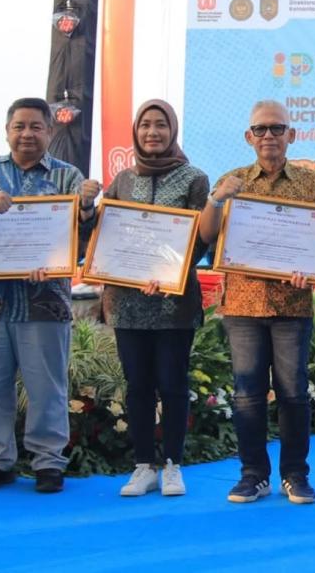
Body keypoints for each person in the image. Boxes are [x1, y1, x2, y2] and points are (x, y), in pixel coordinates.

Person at [0, 97, 100, 493]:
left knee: (47, 387)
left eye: (36, 126)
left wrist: (86, 207)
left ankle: (48, 462)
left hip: (44, 299)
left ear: (50, 131)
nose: (27, 134)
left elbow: (84, 238)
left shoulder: (68, 177)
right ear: (7, 131)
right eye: (19, 126)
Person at [198, 100, 315, 505]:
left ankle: (295, 475)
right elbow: (205, 235)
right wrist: (217, 200)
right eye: (260, 129)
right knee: (247, 395)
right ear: (248, 136)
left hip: (292, 304)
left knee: (294, 394)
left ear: (292, 135)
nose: (268, 135)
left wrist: (310, 268)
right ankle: (253, 474)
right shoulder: (231, 181)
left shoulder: (313, 183)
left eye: (277, 128)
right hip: (243, 305)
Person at [103, 100, 208, 497]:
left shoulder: (194, 178)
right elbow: (108, 235)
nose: (152, 132)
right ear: (136, 131)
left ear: (172, 130)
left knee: (173, 383)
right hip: (127, 302)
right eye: (145, 124)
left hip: (173, 303)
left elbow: (200, 238)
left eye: (160, 124)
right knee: (138, 386)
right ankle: (143, 465)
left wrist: (168, 274)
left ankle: (173, 465)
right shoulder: (122, 181)